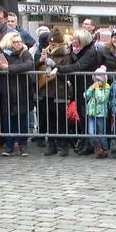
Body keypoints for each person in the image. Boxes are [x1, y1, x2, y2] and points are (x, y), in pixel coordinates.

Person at [49, 29, 100, 155]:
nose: (73, 40)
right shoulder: (75, 50)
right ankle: (84, 141)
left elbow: (78, 66)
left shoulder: (90, 52)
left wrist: (58, 68)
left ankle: (90, 144)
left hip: (88, 87)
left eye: (75, 39)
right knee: (81, 117)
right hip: (78, 87)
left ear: (82, 40)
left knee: (87, 117)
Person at [0, 32, 34, 156]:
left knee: (22, 121)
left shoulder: (24, 53)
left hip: (21, 91)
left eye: (19, 41)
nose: (19, 43)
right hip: (6, 92)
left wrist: (9, 67)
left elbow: (29, 64)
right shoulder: (2, 54)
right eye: (15, 41)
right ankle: (9, 146)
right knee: (8, 121)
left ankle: (23, 146)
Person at [41, 28, 73, 156]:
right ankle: (51, 143)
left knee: (61, 119)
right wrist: (41, 61)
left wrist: (55, 66)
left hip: (59, 90)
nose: (51, 47)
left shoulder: (66, 54)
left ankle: (63, 144)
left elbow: (67, 71)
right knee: (49, 119)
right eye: (50, 44)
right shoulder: (45, 53)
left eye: (54, 45)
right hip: (47, 90)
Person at [84, 66, 111, 158]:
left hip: (101, 113)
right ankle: (97, 148)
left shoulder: (106, 88)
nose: (97, 82)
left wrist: (97, 89)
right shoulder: (93, 86)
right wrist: (91, 88)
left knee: (101, 133)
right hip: (91, 112)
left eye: (99, 80)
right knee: (91, 132)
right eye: (95, 80)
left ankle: (104, 149)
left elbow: (101, 99)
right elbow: (86, 96)